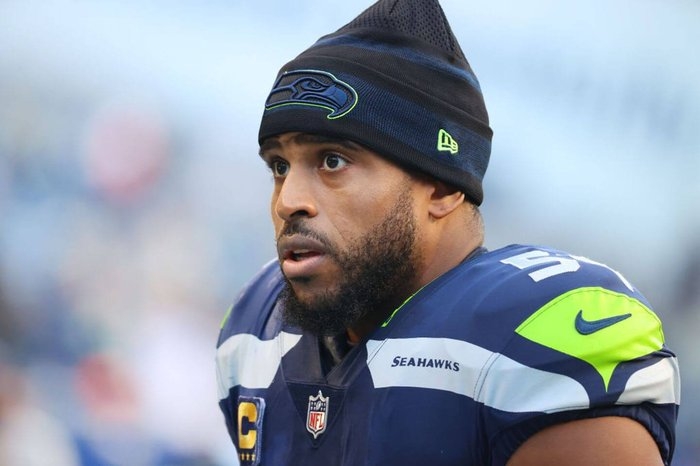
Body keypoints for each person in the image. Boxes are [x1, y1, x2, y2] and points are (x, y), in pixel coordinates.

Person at [215, 0, 680, 464]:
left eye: (332, 161)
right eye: (279, 165)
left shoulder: (542, 335)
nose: (288, 200)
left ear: (441, 187)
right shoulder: (259, 323)